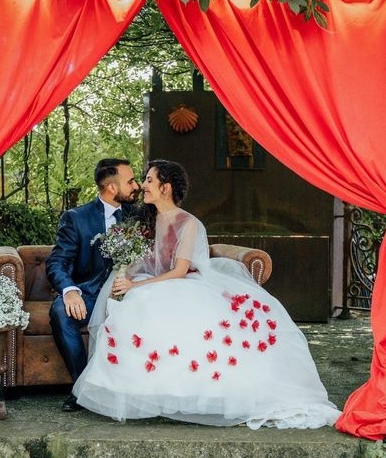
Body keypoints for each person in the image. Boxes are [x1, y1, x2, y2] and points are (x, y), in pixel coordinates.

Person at [73, 159, 341, 428]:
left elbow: (179, 271)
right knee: (131, 306)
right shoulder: (146, 220)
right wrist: (126, 275)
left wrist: (137, 286)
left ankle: (193, 392)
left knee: (148, 302)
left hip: (183, 282)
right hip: (152, 281)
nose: (143, 185)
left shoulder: (189, 224)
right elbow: (141, 260)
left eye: (150, 180)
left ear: (165, 188)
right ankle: (143, 390)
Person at [46, 158, 140, 412]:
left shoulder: (139, 214)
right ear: (111, 187)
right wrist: (70, 290)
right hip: (90, 291)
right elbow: (57, 262)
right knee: (59, 312)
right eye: (130, 181)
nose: (137, 186)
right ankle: (82, 389)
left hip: (131, 291)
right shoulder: (76, 218)